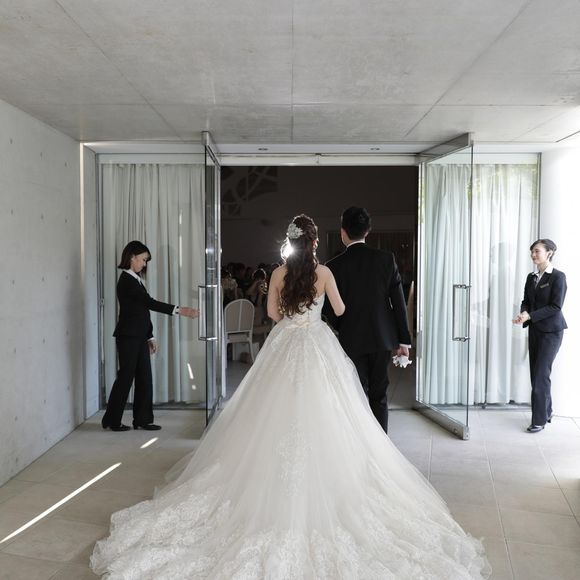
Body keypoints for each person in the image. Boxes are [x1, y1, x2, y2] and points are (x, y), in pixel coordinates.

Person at [91, 216, 489, 579]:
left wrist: (293, 316)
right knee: (332, 410)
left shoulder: (279, 272)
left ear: (290, 242)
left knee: (269, 409)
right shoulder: (325, 272)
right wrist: (317, 314)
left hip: (286, 343)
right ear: (314, 243)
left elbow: (273, 314)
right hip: (317, 343)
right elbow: (340, 310)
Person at [323, 206, 411, 434]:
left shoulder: (333, 266)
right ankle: (381, 444)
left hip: (351, 339)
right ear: (367, 231)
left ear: (343, 232)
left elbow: (329, 310)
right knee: (379, 395)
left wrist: (342, 327)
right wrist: (403, 341)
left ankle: (359, 442)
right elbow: (399, 304)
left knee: (356, 393)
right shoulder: (386, 259)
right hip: (382, 338)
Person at [101, 241, 198, 432]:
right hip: (128, 337)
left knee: (145, 377)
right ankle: (112, 420)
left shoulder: (135, 280)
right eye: (143, 259)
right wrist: (181, 310)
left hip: (138, 336)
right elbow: (149, 303)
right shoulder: (127, 281)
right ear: (132, 257)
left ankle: (143, 419)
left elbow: (142, 312)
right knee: (126, 378)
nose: (144, 264)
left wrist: (149, 337)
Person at [513, 238, 567, 433]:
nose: (533, 255)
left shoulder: (558, 277)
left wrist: (531, 316)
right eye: (532, 251)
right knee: (537, 373)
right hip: (535, 329)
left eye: (537, 251)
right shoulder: (531, 277)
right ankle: (547, 411)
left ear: (549, 253)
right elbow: (526, 301)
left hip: (552, 332)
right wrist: (523, 313)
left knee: (541, 374)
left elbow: (556, 306)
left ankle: (539, 420)